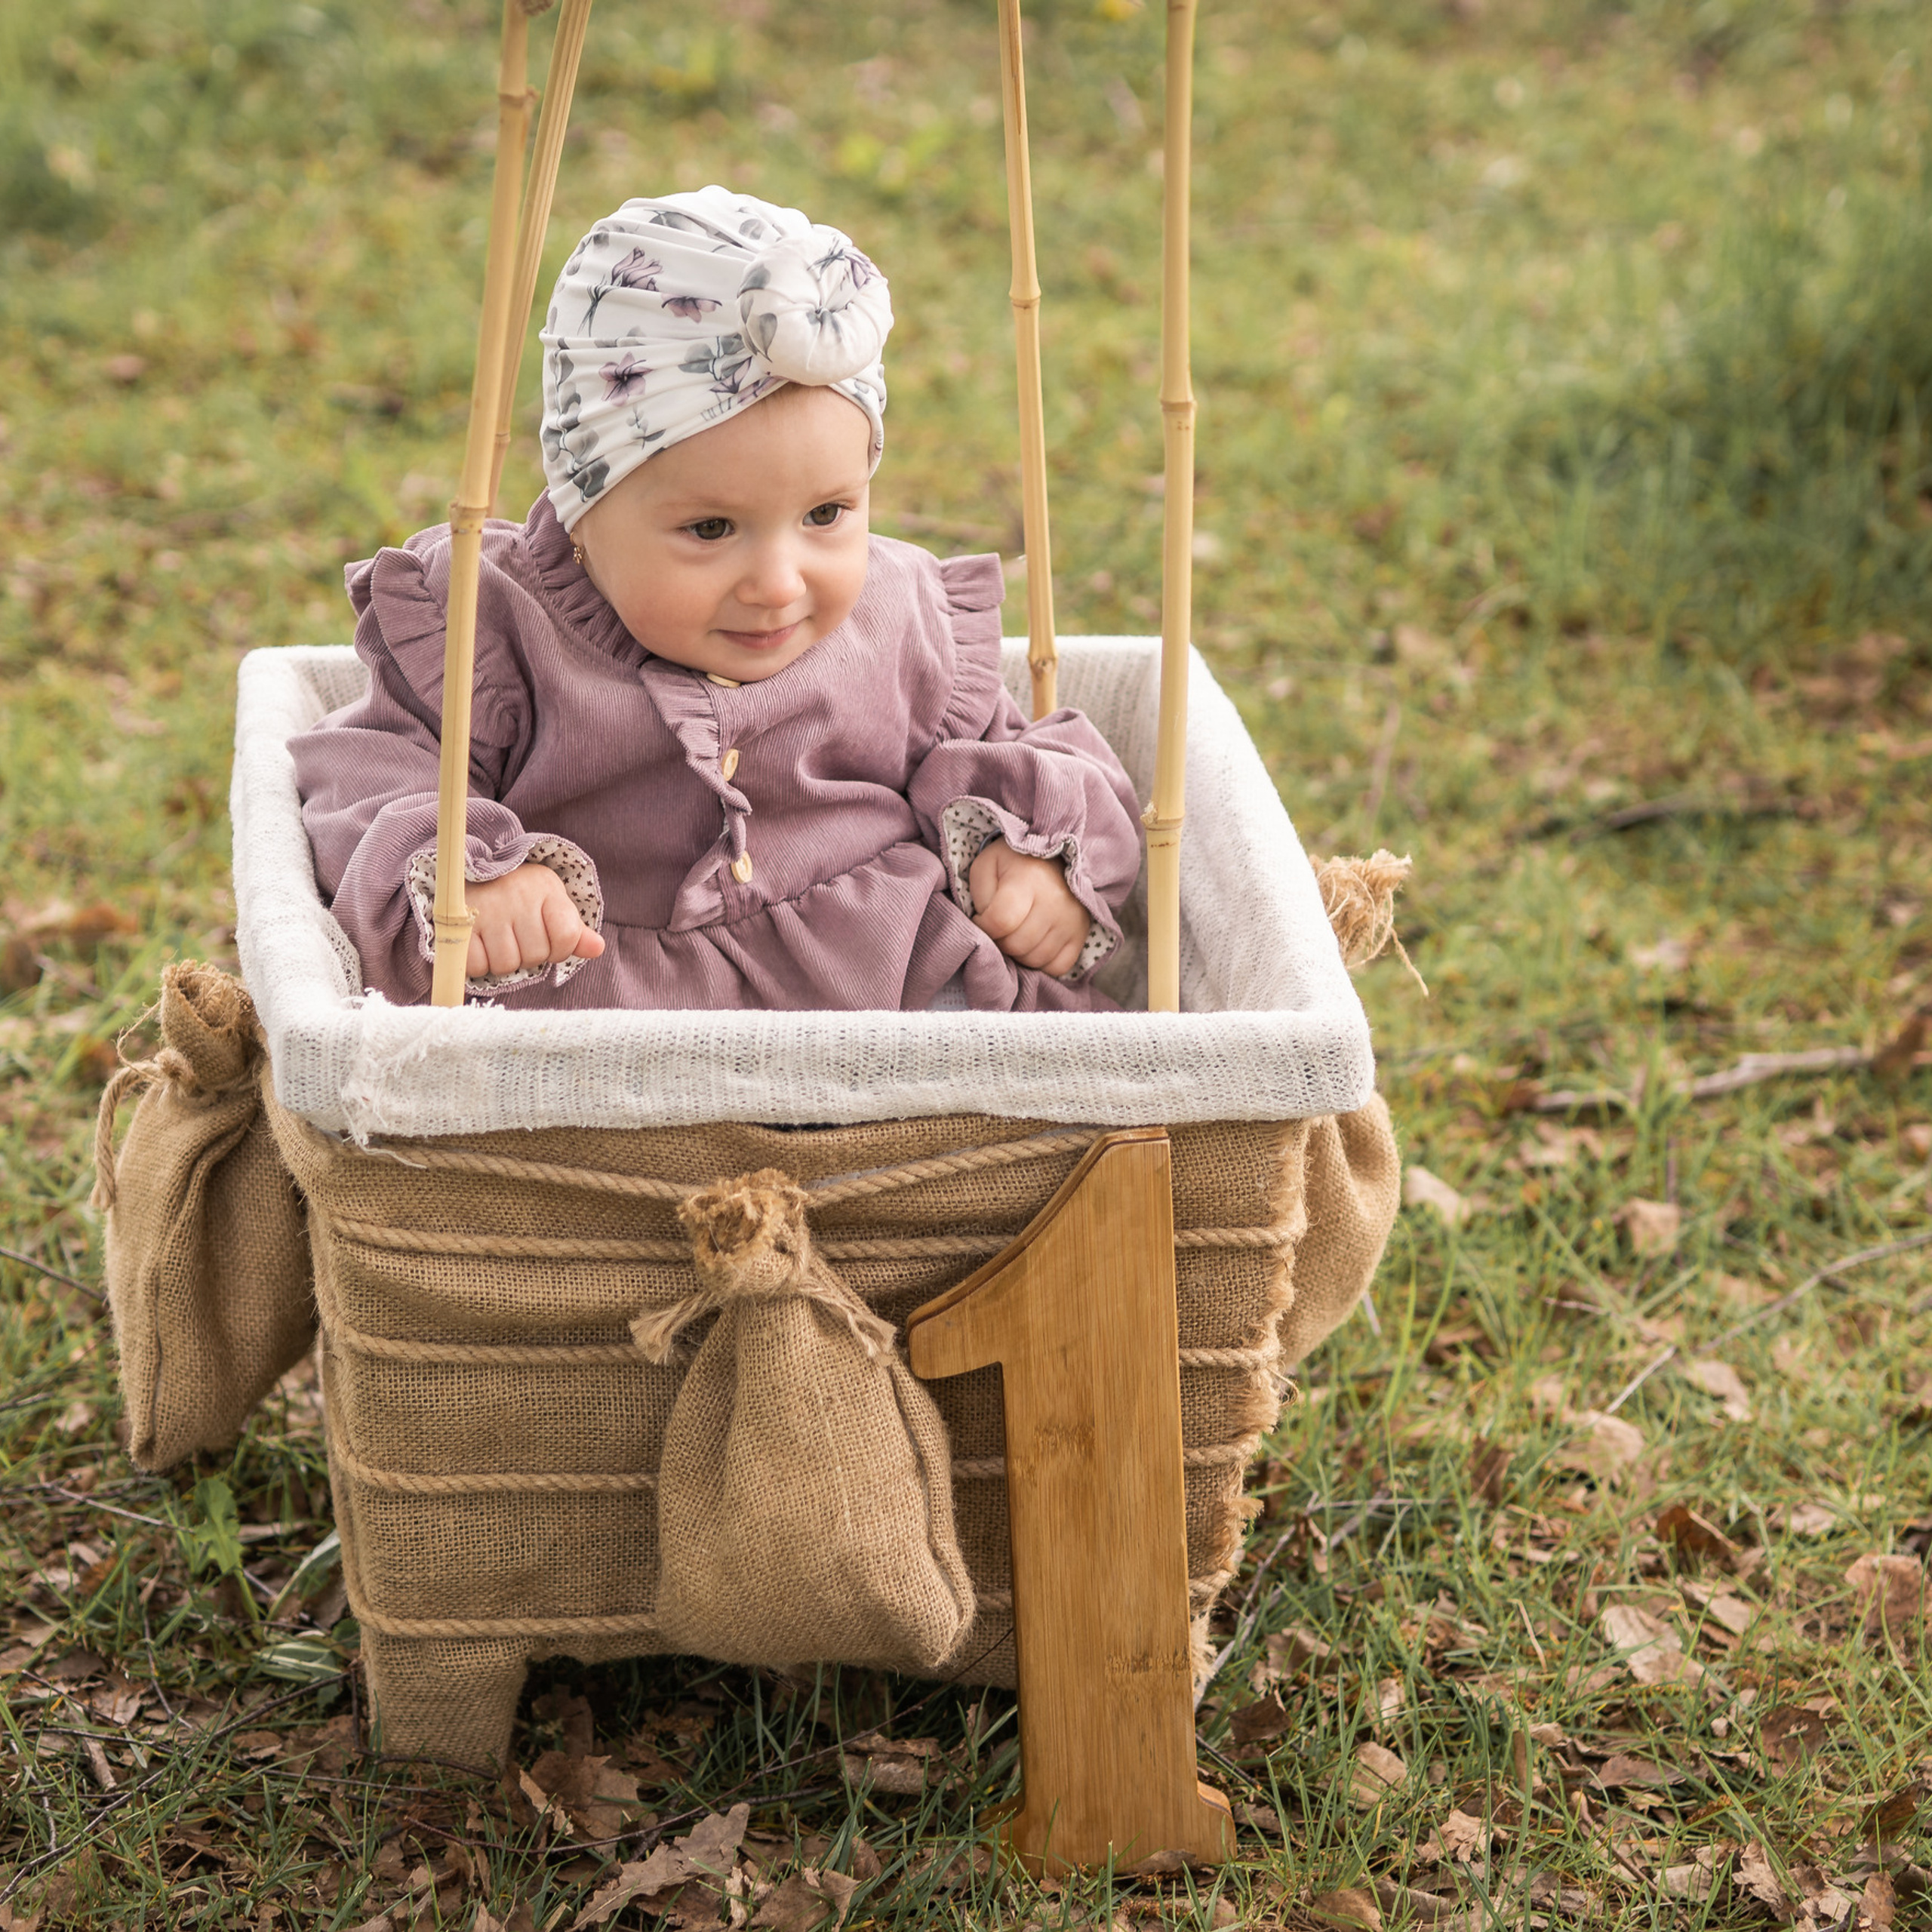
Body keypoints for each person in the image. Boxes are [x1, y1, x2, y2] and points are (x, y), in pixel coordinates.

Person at [291, 186, 1143, 1013]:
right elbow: (370, 775)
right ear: (583, 510)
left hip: (881, 984)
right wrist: (470, 875)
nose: (778, 584)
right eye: (709, 529)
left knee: (1005, 1040)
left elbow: (1011, 753)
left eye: (826, 515)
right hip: (602, 1017)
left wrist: (1022, 855)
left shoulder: (904, 617)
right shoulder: (495, 629)